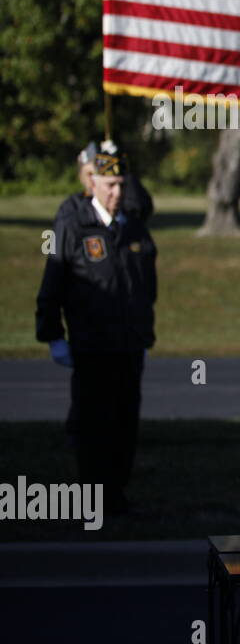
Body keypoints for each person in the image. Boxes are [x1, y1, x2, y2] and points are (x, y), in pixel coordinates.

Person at [36, 142, 157, 515]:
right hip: (91, 346)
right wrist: (54, 335)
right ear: (93, 184)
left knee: (124, 425)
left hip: (129, 345)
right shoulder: (73, 226)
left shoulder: (134, 228)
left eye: (121, 184)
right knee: (93, 426)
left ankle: (117, 496)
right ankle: (93, 502)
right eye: (109, 184)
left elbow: (146, 286)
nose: (117, 193)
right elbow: (51, 285)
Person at [57, 140, 153, 225]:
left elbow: (143, 208)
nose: (117, 192)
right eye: (88, 174)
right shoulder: (71, 208)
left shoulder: (122, 202)